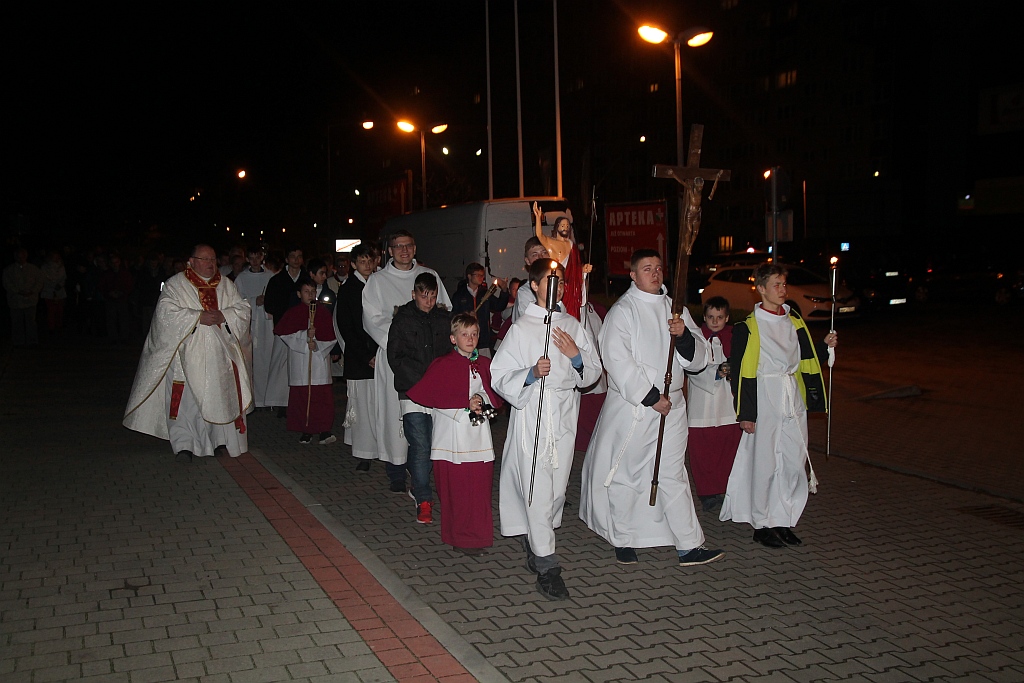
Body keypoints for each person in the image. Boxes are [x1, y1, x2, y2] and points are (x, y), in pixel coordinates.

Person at [580, 250, 723, 568]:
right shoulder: (623, 311)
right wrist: (650, 396)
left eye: (658, 268)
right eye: (647, 269)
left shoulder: (676, 310)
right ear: (633, 275)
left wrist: (683, 336)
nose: (655, 273)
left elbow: (699, 357)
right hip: (636, 406)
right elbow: (617, 359)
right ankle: (622, 538)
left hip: (673, 405)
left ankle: (689, 545)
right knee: (626, 473)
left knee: (673, 472)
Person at [490, 259, 602, 600]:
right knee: (537, 486)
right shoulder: (522, 328)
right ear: (535, 286)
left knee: (555, 488)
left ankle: (535, 537)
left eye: (562, 282)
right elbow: (499, 374)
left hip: (564, 412)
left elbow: (592, 371)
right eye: (551, 281)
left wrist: (576, 355)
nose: (559, 287)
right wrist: (530, 373)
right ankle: (547, 565)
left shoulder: (571, 325)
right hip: (533, 413)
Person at [721, 262, 838, 548]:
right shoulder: (748, 327)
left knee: (793, 459)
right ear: (761, 289)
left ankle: (782, 518)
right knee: (765, 461)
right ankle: (761, 523)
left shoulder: (793, 319)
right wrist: (746, 413)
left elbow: (804, 356)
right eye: (776, 285)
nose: (783, 289)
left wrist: (825, 346)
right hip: (765, 394)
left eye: (784, 284)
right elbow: (741, 372)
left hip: (791, 395)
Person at [123, 244, 252, 461]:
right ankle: (184, 445)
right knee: (186, 404)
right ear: (191, 262)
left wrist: (224, 315)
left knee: (218, 398)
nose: (211, 264)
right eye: (205, 259)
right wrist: (197, 317)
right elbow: (165, 313)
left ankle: (216, 441)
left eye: (213, 259)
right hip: (185, 358)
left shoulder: (226, 285)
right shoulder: (176, 285)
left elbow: (243, 309)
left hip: (218, 359)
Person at [361, 230, 452, 493]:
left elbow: (444, 310)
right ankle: (396, 471)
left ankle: (422, 470)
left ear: (414, 248)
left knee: (428, 421)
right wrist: (401, 343)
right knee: (394, 417)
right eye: (398, 246)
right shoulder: (377, 280)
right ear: (389, 251)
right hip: (397, 358)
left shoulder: (429, 274)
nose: (404, 250)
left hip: (430, 359)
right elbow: (372, 319)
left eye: (408, 245)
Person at [407, 313, 503, 553]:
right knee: (457, 490)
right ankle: (459, 538)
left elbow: (494, 392)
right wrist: (463, 404)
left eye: (474, 334)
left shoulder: (485, 364)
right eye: (464, 334)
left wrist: (481, 399)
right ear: (453, 338)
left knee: (479, 489)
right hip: (452, 437)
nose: (470, 339)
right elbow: (434, 397)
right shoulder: (443, 365)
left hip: (478, 436)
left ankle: (478, 537)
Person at [386, 273, 453, 523]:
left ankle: (419, 483)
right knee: (421, 444)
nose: (429, 302)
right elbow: (396, 357)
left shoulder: (443, 319)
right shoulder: (403, 320)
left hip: (438, 392)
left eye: (433, 296)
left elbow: (451, 352)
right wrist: (421, 379)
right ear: (414, 294)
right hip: (412, 391)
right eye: (424, 296)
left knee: (434, 444)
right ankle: (423, 497)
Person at [686, 296, 742, 513]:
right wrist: (716, 372)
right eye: (710, 317)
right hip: (703, 402)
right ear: (704, 317)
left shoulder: (735, 337)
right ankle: (707, 492)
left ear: (727, 318)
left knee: (727, 447)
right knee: (703, 450)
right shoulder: (696, 338)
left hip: (727, 402)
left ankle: (726, 487)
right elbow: (691, 367)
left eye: (720, 317)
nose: (715, 321)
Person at [275, 278, 338, 444]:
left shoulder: (323, 312)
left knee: (321, 397)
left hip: (319, 361)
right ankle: (306, 429)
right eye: (306, 292)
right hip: (299, 360)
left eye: (313, 292)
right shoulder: (293, 313)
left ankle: (324, 429)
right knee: (302, 397)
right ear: (299, 294)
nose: (310, 295)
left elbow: (331, 337)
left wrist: (317, 345)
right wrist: (304, 336)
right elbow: (284, 334)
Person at [336, 244, 379, 471]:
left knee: (379, 405)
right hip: (360, 357)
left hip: (380, 353)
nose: (367, 265)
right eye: (362, 261)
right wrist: (366, 356)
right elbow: (346, 327)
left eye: (370, 261)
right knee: (362, 407)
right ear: (353, 264)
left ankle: (381, 448)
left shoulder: (378, 283)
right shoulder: (348, 289)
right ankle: (364, 453)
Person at [532, 202, 591, 320]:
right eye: (563, 225)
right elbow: (539, 235)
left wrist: (582, 271)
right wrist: (538, 218)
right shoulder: (551, 243)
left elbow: (575, 267)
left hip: (571, 285)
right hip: (558, 281)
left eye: (567, 226)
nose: (565, 228)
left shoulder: (571, 245)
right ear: (557, 227)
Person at [263, 247, 304, 415]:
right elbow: (269, 305)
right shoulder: (277, 280)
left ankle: (299, 402)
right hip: (283, 328)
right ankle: (280, 402)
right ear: (287, 259)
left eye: (299, 256)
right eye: (293, 256)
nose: (296, 260)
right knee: (280, 367)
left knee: (300, 367)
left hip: (302, 329)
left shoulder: (306, 279)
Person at [233, 246, 275, 408]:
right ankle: (255, 399)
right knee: (254, 362)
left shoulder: (270, 276)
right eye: (252, 258)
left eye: (258, 257)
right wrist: (253, 301)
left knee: (269, 359)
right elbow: (236, 301)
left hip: (268, 324)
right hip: (251, 324)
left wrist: (267, 301)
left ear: (262, 257)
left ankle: (269, 399)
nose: (255, 261)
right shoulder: (241, 279)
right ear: (247, 259)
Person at [451, 262, 508, 356]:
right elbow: (453, 316)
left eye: (482, 275)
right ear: (469, 276)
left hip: (483, 340)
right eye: (478, 275)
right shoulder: (459, 295)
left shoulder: (485, 294)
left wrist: (504, 290)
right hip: (466, 341)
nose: (481, 278)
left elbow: (499, 306)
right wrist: (466, 316)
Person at [3, 248, 43, 347]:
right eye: (18, 256)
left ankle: (32, 341)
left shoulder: (33, 269)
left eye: (23, 256)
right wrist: (18, 291)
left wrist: (32, 291)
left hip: (30, 300)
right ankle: (18, 341)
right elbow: (7, 283)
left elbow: (39, 282)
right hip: (15, 300)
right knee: (17, 322)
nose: (21, 259)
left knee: (31, 322)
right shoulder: (9, 270)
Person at [40, 251, 67, 334]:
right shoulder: (45, 267)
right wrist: (53, 285)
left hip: (59, 291)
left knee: (59, 310)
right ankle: (51, 327)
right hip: (49, 291)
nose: (56, 258)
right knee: (51, 310)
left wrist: (60, 285)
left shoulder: (61, 266)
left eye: (57, 256)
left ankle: (59, 326)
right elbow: (44, 279)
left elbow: (64, 277)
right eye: (54, 256)